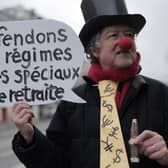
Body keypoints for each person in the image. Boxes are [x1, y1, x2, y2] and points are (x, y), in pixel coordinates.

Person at [12, 0, 168, 167]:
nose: (125, 42)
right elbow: (55, 162)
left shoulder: (161, 94)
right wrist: (30, 138)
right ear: (94, 50)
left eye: (129, 35)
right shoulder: (72, 103)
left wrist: (166, 156)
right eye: (114, 35)